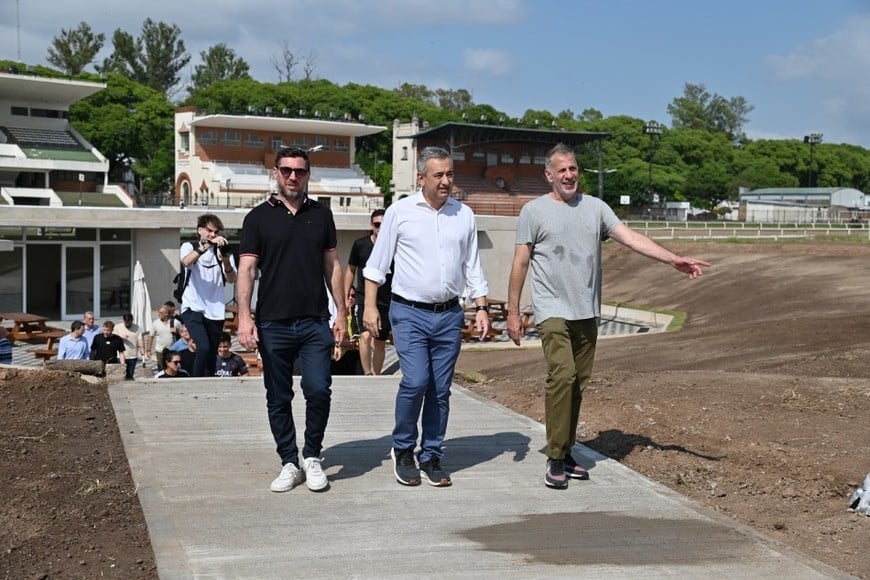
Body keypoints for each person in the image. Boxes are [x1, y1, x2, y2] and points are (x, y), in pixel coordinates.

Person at [505, 143, 710, 490]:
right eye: (562, 170)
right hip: (552, 309)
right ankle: (555, 458)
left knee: (578, 385)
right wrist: (513, 312)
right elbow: (520, 262)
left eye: (573, 168)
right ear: (549, 175)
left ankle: (566, 451)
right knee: (563, 377)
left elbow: (630, 238)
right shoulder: (533, 212)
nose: (569, 175)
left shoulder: (596, 208)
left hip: (586, 310)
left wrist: (672, 258)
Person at [363, 146, 491, 488]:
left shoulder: (463, 214)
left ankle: (431, 454)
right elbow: (377, 265)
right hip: (409, 312)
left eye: (450, 174)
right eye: (439, 175)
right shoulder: (400, 212)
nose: (446, 181)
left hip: (449, 313)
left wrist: (480, 306)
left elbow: (472, 264)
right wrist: (371, 306)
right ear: (421, 178)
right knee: (416, 380)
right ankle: (403, 448)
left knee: (440, 390)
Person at [236, 146, 346, 494]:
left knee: (318, 389)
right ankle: (289, 461)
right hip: (272, 323)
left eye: (299, 171)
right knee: (278, 396)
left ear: (308, 174)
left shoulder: (322, 216)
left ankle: (311, 455)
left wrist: (342, 312)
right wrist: (243, 316)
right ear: (275, 173)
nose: (293, 176)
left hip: (315, 320)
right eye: (286, 170)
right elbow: (247, 269)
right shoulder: (257, 218)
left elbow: (333, 266)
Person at [180, 213, 237, 377]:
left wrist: (225, 259)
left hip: (215, 309)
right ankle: (196, 382)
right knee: (203, 346)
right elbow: (186, 262)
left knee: (212, 351)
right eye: (209, 231)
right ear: (200, 230)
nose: (213, 235)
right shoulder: (189, 246)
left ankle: (210, 382)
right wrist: (204, 247)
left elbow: (232, 278)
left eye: (216, 232)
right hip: (193, 306)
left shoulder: (223, 253)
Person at [343, 209, 392, 375]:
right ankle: (367, 374)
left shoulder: (394, 247)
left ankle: (376, 375)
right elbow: (350, 270)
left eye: (384, 225)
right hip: (363, 298)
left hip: (386, 300)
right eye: (377, 224)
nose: (380, 228)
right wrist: (345, 295)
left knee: (379, 342)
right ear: (372, 225)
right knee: (364, 337)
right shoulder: (360, 245)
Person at [147, 305, 181, 372]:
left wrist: (177, 332)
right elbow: (151, 337)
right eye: (159, 312)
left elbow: (183, 334)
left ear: (166, 314)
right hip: (160, 350)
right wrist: (148, 350)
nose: (159, 314)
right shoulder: (155, 323)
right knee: (161, 368)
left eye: (161, 313)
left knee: (172, 367)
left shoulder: (175, 322)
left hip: (172, 349)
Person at [115, 313, 144, 380]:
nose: (127, 324)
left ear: (132, 320)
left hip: (133, 355)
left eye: (129, 322)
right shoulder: (117, 327)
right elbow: (113, 339)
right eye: (126, 322)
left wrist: (141, 347)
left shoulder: (137, 328)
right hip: (120, 356)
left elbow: (140, 339)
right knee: (121, 376)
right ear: (124, 321)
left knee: (130, 376)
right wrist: (120, 337)